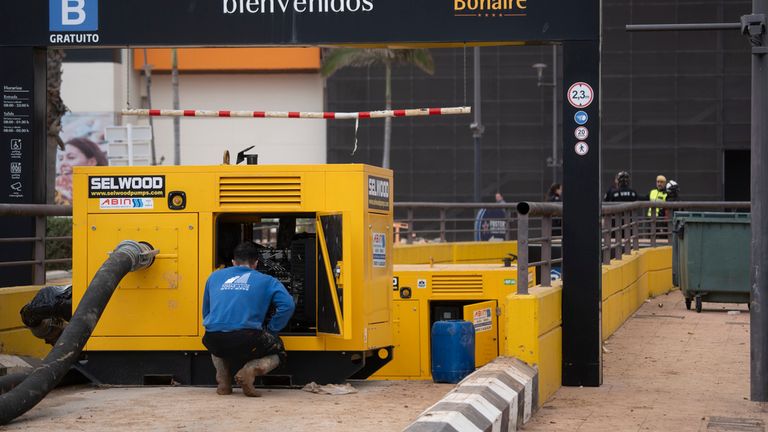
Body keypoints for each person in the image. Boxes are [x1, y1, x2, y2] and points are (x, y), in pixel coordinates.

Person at [202, 241, 295, 397]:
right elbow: (288, 305)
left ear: (233, 262)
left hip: (212, 337)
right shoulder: (267, 280)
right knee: (278, 352)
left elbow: (207, 310)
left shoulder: (214, 277)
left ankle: (224, 382)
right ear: (256, 263)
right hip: (248, 338)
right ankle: (249, 371)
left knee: (216, 341)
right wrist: (272, 328)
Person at [55, 137, 108, 205]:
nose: (62, 163)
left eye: (71, 157)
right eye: (60, 159)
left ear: (91, 162)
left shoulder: (107, 190)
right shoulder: (53, 191)